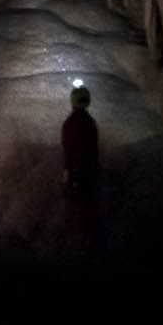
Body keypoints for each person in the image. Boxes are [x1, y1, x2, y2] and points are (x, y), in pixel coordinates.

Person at [62, 81, 102, 253]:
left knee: (79, 212)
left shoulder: (71, 123)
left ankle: (81, 246)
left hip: (78, 172)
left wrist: (67, 174)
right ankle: (90, 245)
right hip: (89, 172)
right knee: (90, 211)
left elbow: (68, 151)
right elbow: (94, 150)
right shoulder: (89, 122)